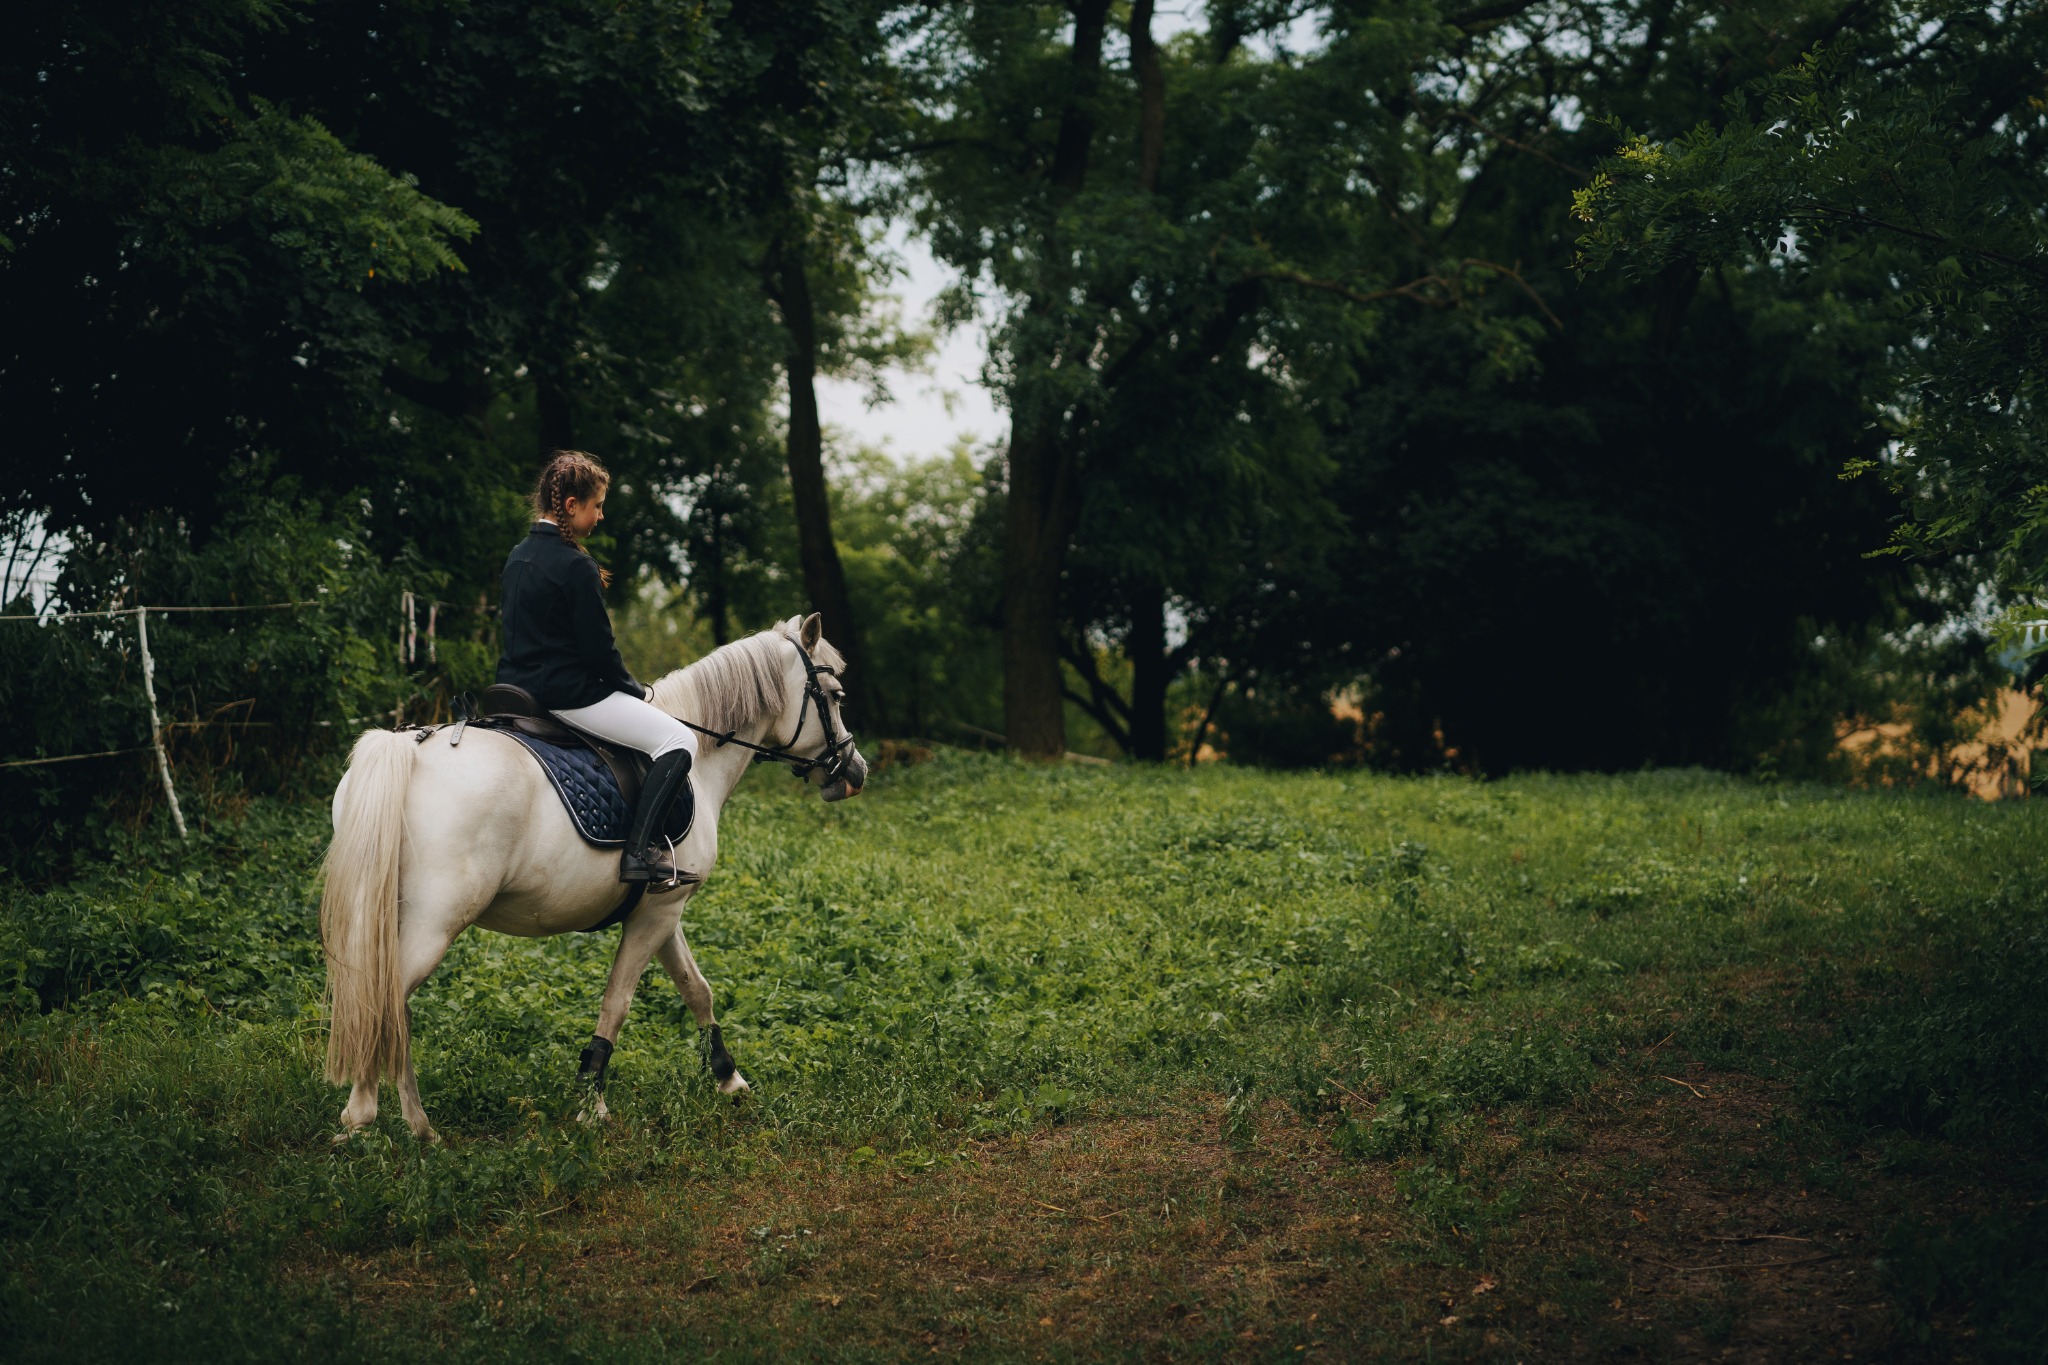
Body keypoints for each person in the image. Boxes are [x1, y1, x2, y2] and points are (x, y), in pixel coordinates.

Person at [496, 450, 697, 889]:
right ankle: (641, 851)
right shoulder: (575, 566)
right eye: (597, 506)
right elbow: (599, 653)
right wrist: (636, 691)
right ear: (571, 506)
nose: (601, 516)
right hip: (568, 696)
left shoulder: (518, 555)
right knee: (680, 739)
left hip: (515, 688)